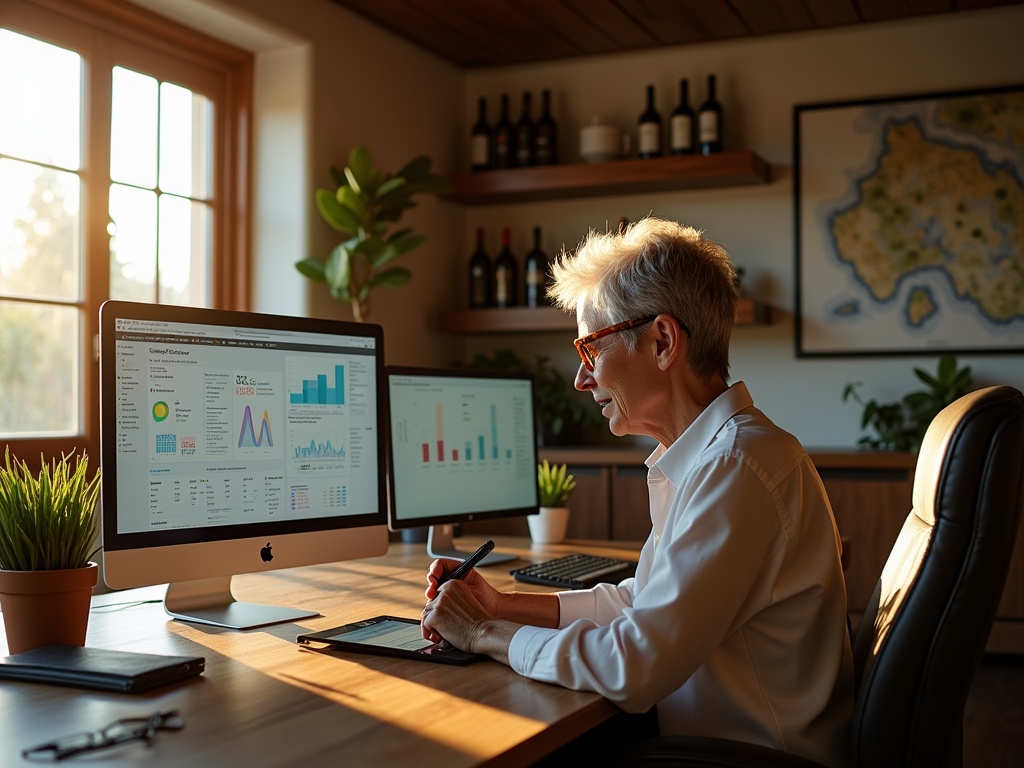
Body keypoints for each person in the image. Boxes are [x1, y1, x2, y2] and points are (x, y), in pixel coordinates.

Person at [421, 217, 854, 767]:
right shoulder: (721, 456)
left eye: (589, 349)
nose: (581, 380)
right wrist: (504, 605)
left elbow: (634, 664)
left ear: (663, 341)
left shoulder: (737, 466)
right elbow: (640, 603)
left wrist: (484, 631)